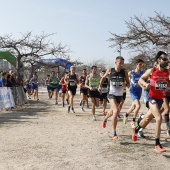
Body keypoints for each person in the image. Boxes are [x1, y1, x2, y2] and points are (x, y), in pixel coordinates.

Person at [134, 51, 169, 152]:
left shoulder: (167, 72)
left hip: (160, 100)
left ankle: (136, 129)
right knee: (158, 118)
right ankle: (157, 144)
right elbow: (140, 79)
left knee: (147, 118)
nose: (166, 61)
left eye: (167, 59)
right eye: (164, 59)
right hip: (151, 98)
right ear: (158, 60)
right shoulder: (152, 70)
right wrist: (145, 84)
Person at [100, 56, 130, 139]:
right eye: (120, 63)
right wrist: (100, 86)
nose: (121, 65)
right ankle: (114, 132)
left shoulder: (124, 72)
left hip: (119, 95)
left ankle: (105, 118)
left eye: (122, 63)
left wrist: (125, 85)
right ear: (115, 63)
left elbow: (128, 84)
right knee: (116, 111)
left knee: (112, 112)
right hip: (111, 94)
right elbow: (103, 78)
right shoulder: (110, 70)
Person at [123, 59, 144, 128]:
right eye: (140, 64)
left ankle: (126, 114)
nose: (141, 66)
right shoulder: (131, 73)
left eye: (142, 64)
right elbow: (125, 79)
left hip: (139, 91)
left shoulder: (142, 73)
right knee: (138, 106)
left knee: (133, 107)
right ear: (136, 65)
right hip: (133, 91)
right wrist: (125, 84)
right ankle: (133, 120)